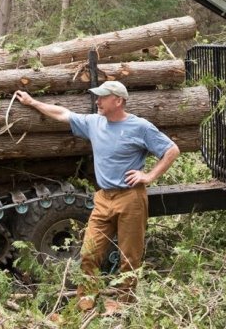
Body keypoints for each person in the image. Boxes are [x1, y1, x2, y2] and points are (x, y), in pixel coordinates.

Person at [14, 80, 180, 314]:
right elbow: (63, 114)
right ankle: (86, 303)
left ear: (118, 101)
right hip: (103, 198)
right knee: (89, 253)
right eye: (97, 97)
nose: (97, 101)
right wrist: (32, 102)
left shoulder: (140, 127)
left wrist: (149, 175)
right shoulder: (94, 123)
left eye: (102, 97)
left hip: (130, 198)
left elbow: (171, 150)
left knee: (129, 257)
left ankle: (125, 305)